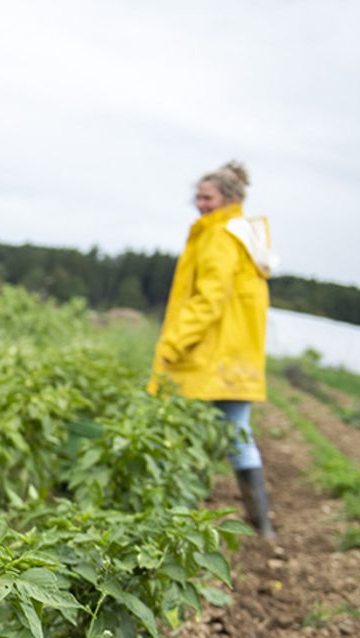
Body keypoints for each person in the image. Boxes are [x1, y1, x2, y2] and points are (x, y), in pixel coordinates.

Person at [150, 160, 279, 541]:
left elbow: (209, 299)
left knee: (186, 434)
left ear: (229, 198)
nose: (200, 204)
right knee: (235, 434)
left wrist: (175, 342)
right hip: (234, 356)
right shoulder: (241, 235)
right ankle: (263, 528)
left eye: (207, 197)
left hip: (211, 355)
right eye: (198, 197)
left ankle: (181, 522)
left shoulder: (219, 236)